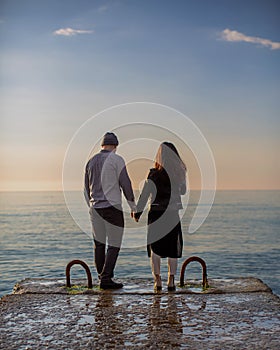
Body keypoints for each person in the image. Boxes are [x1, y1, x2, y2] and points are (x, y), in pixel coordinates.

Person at [84, 132, 136, 289]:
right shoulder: (117, 160)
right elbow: (125, 184)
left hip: (95, 209)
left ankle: (102, 277)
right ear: (115, 146)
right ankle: (106, 278)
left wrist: (92, 206)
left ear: (102, 145)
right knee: (114, 244)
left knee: (99, 244)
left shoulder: (90, 162)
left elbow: (86, 188)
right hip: (112, 208)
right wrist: (133, 206)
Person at [134, 142, 186, 291]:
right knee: (172, 247)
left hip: (156, 213)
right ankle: (171, 280)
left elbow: (145, 194)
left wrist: (138, 212)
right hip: (172, 213)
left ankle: (157, 281)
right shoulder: (179, 172)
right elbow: (183, 191)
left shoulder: (153, 173)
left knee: (155, 248)